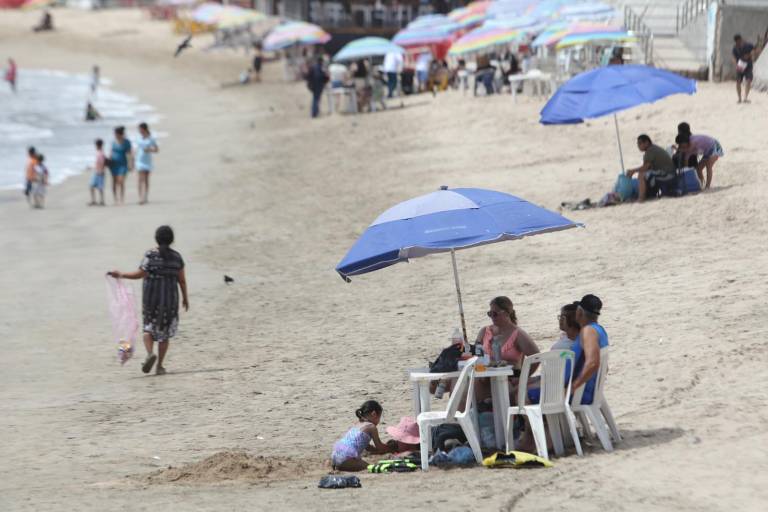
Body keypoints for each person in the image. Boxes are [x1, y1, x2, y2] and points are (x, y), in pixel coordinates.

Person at [107, 225, 189, 376]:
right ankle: (160, 366)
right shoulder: (177, 257)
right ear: (172, 240)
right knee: (164, 334)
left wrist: (121, 275)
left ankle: (150, 353)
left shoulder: (150, 255)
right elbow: (182, 280)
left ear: (156, 239)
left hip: (152, 300)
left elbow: (140, 274)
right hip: (170, 301)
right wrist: (185, 298)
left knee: (148, 329)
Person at [474, 296, 540, 368]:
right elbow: (475, 355)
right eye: (490, 313)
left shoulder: (518, 334)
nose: (492, 316)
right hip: (485, 376)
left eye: (495, 314)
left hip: (509, 378)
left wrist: (523, 377)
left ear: (506, 313)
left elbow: (537, 358)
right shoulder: (484, 331)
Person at [330, 400, 396, 471]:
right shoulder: (371, 427)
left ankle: (338, 465)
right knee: (370, 467)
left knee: (351, 464)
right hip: (346, 457)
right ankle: (344, 465)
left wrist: (375, 451)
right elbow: (380, 447)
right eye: (379, 417)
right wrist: (390, 448)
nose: (379, 421)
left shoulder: (357, 424)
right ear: (374, 414)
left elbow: (368, 447)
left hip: (335, 455)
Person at [570, 294, 609, 405]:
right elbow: (605, 368)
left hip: (580, 394)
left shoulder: (588, 331)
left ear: (580, 312)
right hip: (590, 390)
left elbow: (593, 363)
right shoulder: (600, 330)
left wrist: (574, 386)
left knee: (522, 394)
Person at [625, 134, 676, 201]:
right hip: (667, 172)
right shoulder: (652, 149)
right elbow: (646, 167)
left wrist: (633, 171)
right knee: (643, 174)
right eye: (638, 144)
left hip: (667, 174)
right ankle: (646, 195)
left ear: (646, 142)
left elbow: (645, 167)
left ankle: (641, 198)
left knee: (642, 175)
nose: (638, 146)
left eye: (640, 143)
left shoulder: (650, 150)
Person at [134, 122, 158, 204]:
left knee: (146, 179)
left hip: (147, 161)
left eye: (140, 129)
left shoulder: (151, 139)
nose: (139, 131)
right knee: (140, 179)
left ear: (144, 129)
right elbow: (136, 148)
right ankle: (140, 198)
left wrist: (150, 150)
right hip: (139, 160)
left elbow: (156, 149)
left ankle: (145, 196)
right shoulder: (138, 138)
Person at [109, 126, 132, 205]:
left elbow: (129, 153)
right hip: (113, 164)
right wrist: (108, 162)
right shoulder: (113, 142)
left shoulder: (126, 142)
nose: (115, 135)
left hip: (123, 164)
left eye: (116, 134)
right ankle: (115, 199)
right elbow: (111, 153)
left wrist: (130, 164)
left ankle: (122, 198)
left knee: (121, 181)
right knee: (114, 182)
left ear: (120, 134)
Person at [732, 34, 755, 104]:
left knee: (749, 80)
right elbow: (733, 57)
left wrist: (749, 55)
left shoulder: (748, 45)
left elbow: (755, 50)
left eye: (739, 41)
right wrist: (736, 65)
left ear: (741, 39)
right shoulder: (735, 48)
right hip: (740, 66)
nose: (738, 43)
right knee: (738, 81)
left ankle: (745, 97)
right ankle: (739, 98)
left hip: (748, 65)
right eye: (737, 42)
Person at [88, 139, 106, 206]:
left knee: (99, 187)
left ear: (97, 145)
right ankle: (95, 200)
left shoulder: (101, 153)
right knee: (92, 186)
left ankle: (101, 201)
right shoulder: (99, 152)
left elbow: (102, 163)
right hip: (97, 171)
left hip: (99, 172)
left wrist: (100, 170)